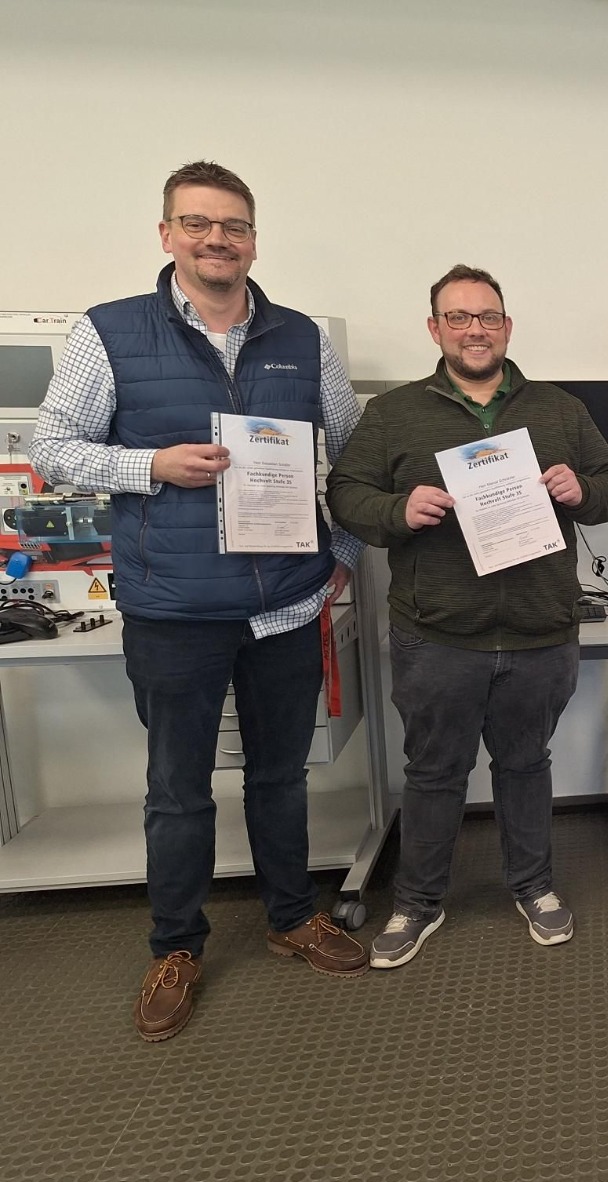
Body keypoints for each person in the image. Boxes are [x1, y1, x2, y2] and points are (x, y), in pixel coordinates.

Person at [30, 161, 369, 1043]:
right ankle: (175, 946)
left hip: (285, 605)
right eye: (198, 223)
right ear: (167, 234)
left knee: (279, 778)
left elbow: (357, 455)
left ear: (254, 239)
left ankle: (292, 917)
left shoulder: (301, 338)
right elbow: (53, 448)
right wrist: (151, 465)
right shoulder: (109, 332)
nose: (218, 239)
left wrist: (343, 550)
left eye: (235, 226)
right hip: (174, 612)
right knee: (177, 791)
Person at [325, 265, 608, 969]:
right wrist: (398, 510)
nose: (475, 330)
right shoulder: (395, 413)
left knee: (526, 765)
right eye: (458, 317)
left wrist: (582, 489)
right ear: (435, 329)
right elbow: (345, 494)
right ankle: (416, 904)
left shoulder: (559, 410)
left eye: (488, 316)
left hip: (539, 629)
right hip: (437, 634)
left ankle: (535, 888)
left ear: (507, 326)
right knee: (434, 772)